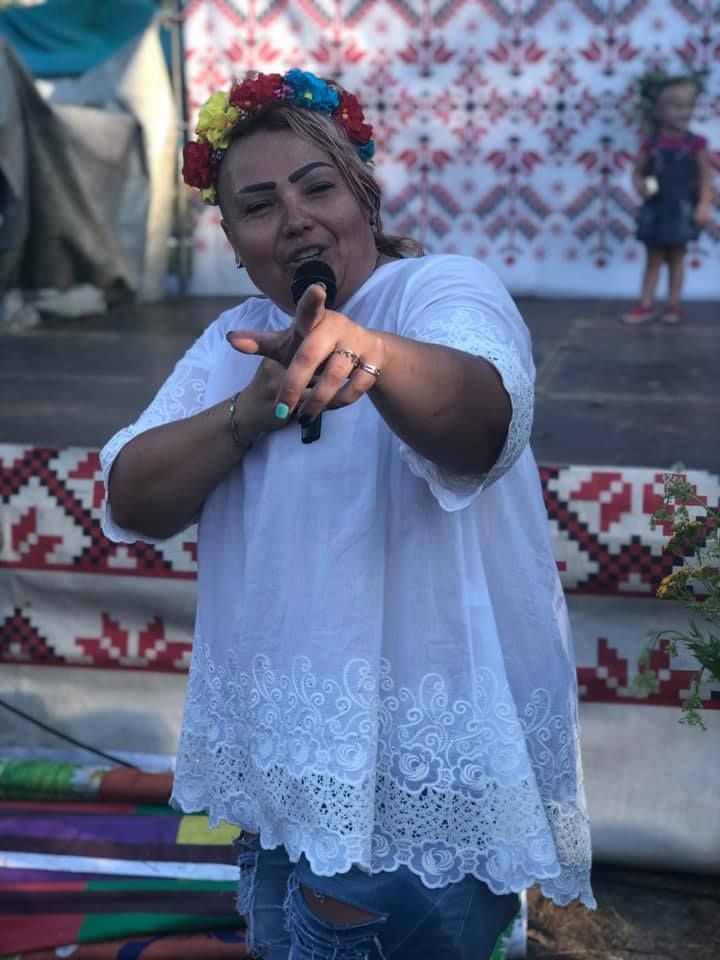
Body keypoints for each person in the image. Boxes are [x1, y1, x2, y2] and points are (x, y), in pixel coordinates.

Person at [101, 69, 595, 959]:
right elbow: (132, 497)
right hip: (286, 782)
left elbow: (482, 428)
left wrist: (363, 351)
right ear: (233, 241)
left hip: (422, 791)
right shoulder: (232, 341)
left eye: (317, 188)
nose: (295, 218)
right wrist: (253, 409)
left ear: (364, 196)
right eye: (259, 206)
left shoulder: (442, 291)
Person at [622, 73, 712, 325]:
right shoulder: (650, 144)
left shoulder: (697, 144)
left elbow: (706, 179)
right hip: (655, 208)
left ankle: (674, 304)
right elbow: (638, 172)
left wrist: (703, 205)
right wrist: (641, 187)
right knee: (653, 258)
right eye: (677, 106)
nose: (685, 112)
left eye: (689, 106)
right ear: (660, 111)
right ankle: (645, 303)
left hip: (682, 209)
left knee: (677, 257)